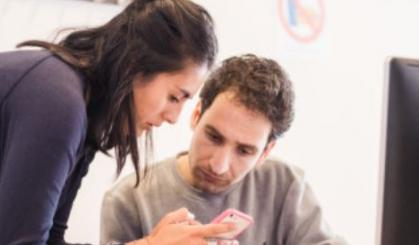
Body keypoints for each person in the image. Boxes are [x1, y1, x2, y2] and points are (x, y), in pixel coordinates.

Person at [0, 0, 237, 244]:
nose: (173, 118)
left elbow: (52, 240)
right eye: (174, 97)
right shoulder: (57, 105)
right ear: (134, 65)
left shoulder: (82, 115)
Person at [101, 54, 347, 245]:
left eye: (244, 151)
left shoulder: (286, 186)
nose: (218, 165)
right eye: (214, 137)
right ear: (196, 115)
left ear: (266, 151)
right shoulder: (128, 200)